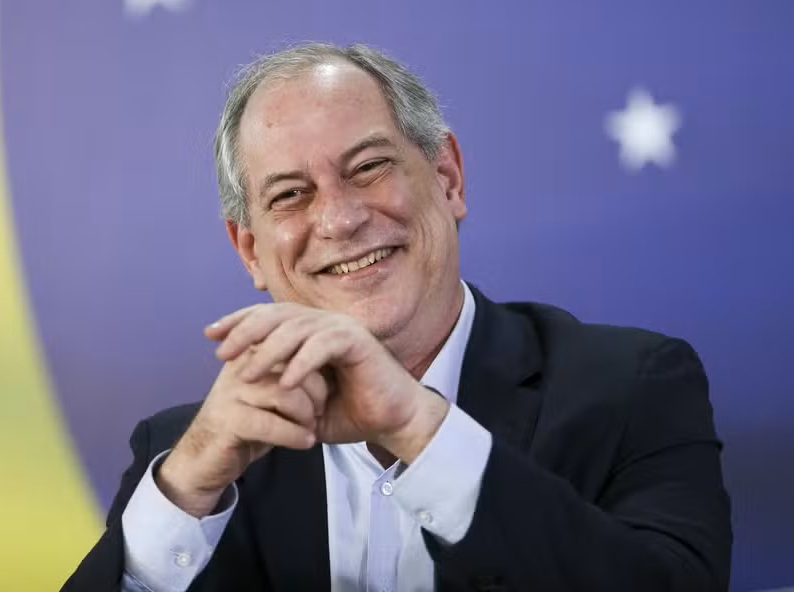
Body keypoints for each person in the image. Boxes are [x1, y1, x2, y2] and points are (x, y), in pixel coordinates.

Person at [62, 43, 732, 592]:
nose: (340, 218)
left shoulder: (632, 386)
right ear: (250, 251)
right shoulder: (183, 456)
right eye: (290, 195)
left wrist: (418, 427)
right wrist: (188, 488)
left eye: (370, 167)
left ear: (447, 178)